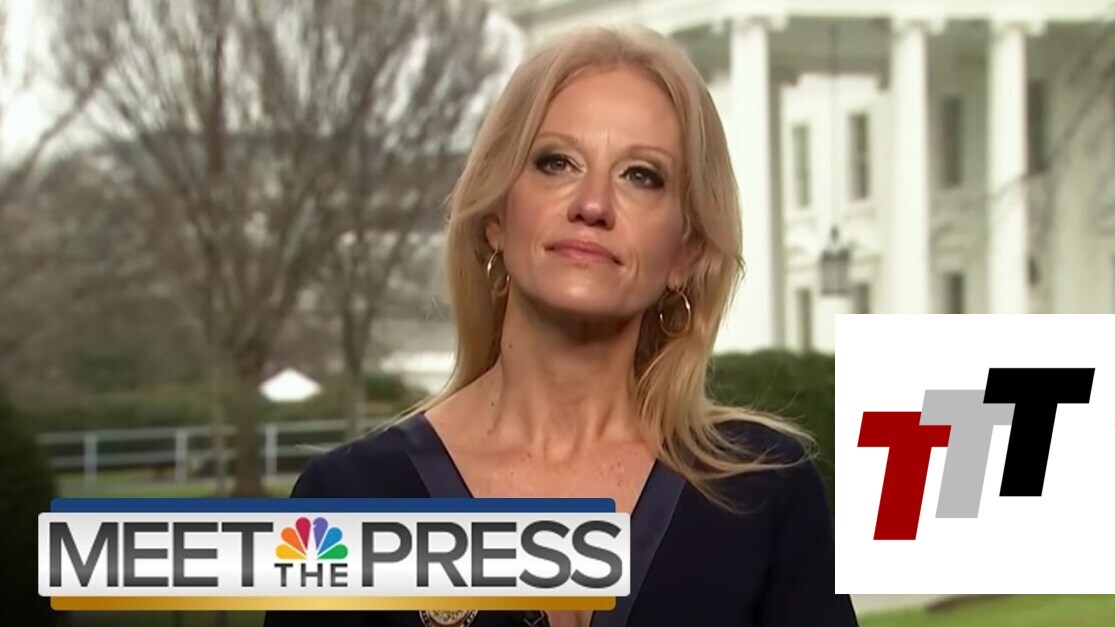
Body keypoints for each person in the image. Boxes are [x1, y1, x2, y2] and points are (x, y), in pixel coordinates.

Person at [264, 25, 858, 627]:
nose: (592, 204)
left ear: (685, 253)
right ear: (496, 218)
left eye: (641, 175)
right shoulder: (346, 503)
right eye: (557, 163)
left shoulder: (763, 494)